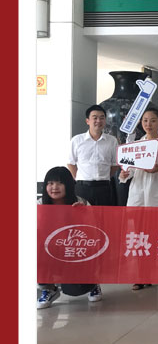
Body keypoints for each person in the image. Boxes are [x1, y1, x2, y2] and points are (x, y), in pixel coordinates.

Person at [119, 106, 158, 291]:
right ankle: (142, 275)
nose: (148, 124)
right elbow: (128, 173)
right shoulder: (135, 145)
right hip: (138, 195)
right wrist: (124, 174)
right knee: (140, 237)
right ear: (141, 123)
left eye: (153, 120)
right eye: (145, 120)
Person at [37, 166, 102, 308]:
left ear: (68, 184)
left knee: (74, 289)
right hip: (49, 250)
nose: (54, 187)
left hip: (73, 250)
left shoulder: (81, 203)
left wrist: (83, 215)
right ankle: (48, 288)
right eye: (50, 183)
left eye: (60, 183)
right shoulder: (39, 205)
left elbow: (94, 234)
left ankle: (92, 284)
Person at [67, 104, 119, 206]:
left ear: (105, 121)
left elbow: (115, 164)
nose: (98, 121)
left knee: (103, 215)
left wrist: (105, 177)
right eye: (95, 118)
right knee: (82, 215)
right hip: (82, 187)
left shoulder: (112, 141)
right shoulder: (77, 140)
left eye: (102, 118)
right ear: (87, 121)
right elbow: (71, 163)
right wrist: (79, 178)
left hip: (104, 187)